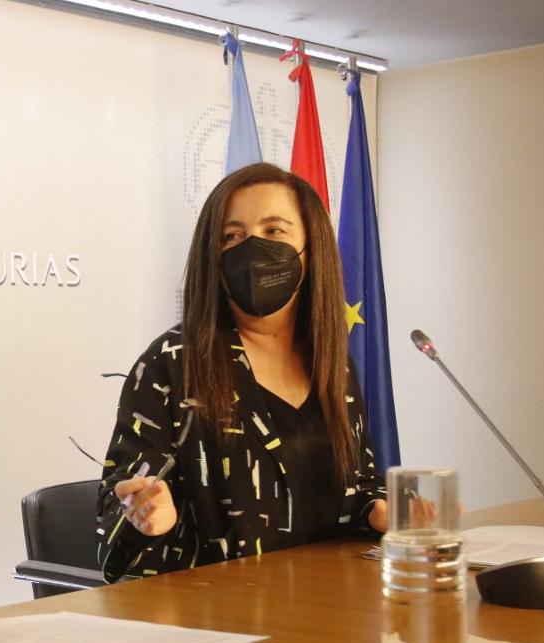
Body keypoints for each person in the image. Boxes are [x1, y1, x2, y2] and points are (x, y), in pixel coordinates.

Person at [96, 163, 388, 581]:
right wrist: (144, 519)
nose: (253, 248)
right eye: (232, 236)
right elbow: (115, 515)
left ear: (311, 245)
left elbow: (357, 486)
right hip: (218, 615)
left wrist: (378, 510)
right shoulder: (173, 361)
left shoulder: (330, 360)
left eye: (274, 231)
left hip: (332, 604)